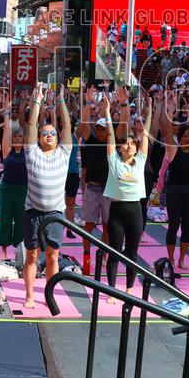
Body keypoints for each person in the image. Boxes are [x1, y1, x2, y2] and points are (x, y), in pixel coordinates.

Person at [21, 83, 73, 308]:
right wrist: (37, 100)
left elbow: (67, 127)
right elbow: (31, 123)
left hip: (55, 213)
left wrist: (61, 101)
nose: (50, 135)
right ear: (40, 137)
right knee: (31, 256)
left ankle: (49, 295)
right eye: (45, 133)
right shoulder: (32, 153)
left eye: (53, 133)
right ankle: (29, 296)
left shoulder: (64, 152)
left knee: (52, 257)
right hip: (33, 212)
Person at [100, 92, 152, 303]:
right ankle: (112, 290)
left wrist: (150, 109)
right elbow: (111, 137)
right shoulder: (114, 161)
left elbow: (146, 134)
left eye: (132, 143)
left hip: (135, 211)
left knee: (132, 252)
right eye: (126, 143)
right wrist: (106, 112)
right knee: (114, 252)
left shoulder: (140, 160)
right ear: (120, 148)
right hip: (117, 211)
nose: (129, 145)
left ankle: (130, 289)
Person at [77, 86, 113, 275]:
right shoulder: (90, 140)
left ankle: (105, 256)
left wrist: (107, 111)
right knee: (88, 225)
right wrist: (88, 102)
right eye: (97, 128)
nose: (99, 130)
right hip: (92, 188)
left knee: (107, 224)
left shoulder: (111, 143)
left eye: (102, 128)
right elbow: (83, 124)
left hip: (108, 190)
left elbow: (121, 129)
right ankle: (86, 256)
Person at [162, 93, 189, 271]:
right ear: (180, 137)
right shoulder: (173, 150)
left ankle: (182, 259)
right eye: (186, 136)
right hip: (174, 192)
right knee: (174, 224)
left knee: (187, 227)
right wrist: (172, 106)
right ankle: (170, 257)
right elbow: (166, 128)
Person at [0, 93, 28, 259]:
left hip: (23, 189)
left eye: (20, 136)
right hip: (7, 189)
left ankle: (18, 250)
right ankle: (3, 251)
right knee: (5, 220)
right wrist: (7, 113)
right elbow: (7, 131)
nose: (17, 137)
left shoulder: (28, 152)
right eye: (15, 136)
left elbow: (30, 124)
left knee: (21, 220)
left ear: (24, 138)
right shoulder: (7, 150)